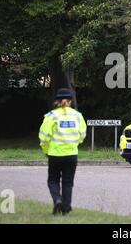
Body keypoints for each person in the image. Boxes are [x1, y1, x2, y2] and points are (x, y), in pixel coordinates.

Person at [38, 88, 87, 216]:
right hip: (71, 154)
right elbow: (82, 134)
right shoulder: (78, 116)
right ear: (70, 101)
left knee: (53, 180)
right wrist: (74, 144)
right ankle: (66, 209)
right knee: (68, 182)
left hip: (55, 154)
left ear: (57, 101)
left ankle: (57, 200)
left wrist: (46, 150)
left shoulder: (51, 116)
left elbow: (43, 136)